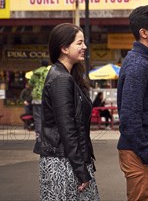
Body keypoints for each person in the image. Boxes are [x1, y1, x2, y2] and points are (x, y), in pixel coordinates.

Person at [37, 23, 99, 200]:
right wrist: (81, 170)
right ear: (64, 48)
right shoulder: (61, 79)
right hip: (63, 163)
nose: (84, 47)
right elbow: (67, 129)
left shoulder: (68, 76)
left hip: (69, 159)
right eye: (79, 43)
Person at [117, 5, 148, 201]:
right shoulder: (138, 64)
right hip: (141, 153)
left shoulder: (145, 62)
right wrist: (145, 154)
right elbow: (129, 115)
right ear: (144, 33)